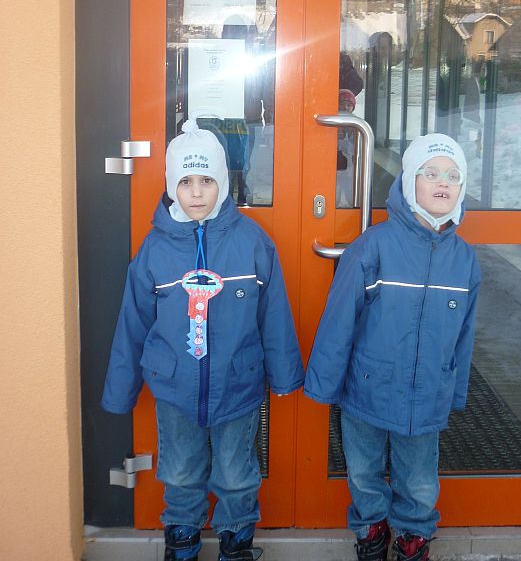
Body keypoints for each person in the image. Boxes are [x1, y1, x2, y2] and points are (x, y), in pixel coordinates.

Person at [102, 118, 305, 561]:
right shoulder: (154, 250)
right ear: (171, 185)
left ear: (224, 183)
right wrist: (121, 390)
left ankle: (236, 540)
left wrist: (285, 374)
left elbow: (273, 314)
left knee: (236, 473)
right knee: (179, 471)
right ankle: (182, 538)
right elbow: (133, 323)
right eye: (186, 182)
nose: (196, 193)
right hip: (175, 388)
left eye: (207, 181)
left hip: (238, 384)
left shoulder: (252, 243)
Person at [304, 134, 480, 561]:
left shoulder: (464, 260)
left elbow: (464, 333)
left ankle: (413, 536)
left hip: (427, 395)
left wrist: (454, 390)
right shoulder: (374, 246)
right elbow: (339, 321)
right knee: (364, 471)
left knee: (418, 478)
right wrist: (324, 384)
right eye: (431, 173)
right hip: (368, 388)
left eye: (453, 176)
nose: (443, 182)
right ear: (408, 182)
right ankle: (371, 528)